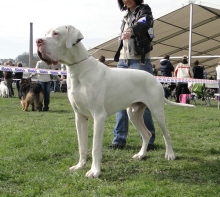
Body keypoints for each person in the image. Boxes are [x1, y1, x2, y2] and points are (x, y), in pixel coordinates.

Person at [110, 0, 156, 151]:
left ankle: (148, 139)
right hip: (123, 62)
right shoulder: (125, 16)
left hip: (139, 62)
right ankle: (119, 139)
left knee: (144, 102)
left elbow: (145, 21)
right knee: (119, 101)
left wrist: (132, 29)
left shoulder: (144, 10)